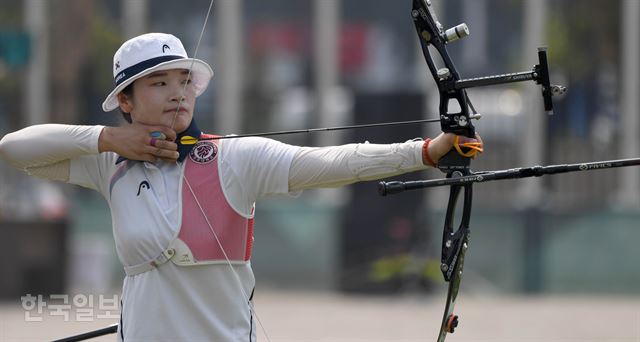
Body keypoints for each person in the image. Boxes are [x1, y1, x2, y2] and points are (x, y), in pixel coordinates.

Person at [0, 33, 482, 341]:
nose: (177, 93)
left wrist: (427, 150)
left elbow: (335, 162)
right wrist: (109, 138)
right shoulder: (109, 165)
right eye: (158, 83)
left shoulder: (234, 157)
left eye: (184, 81)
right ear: (125, 101)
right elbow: (15, 148)